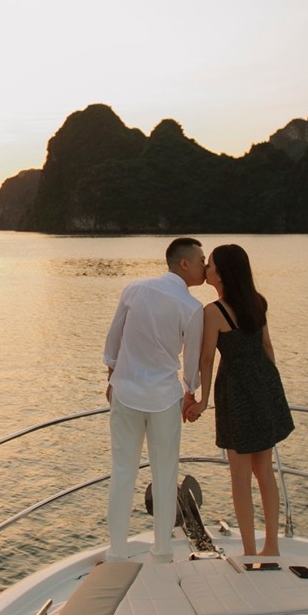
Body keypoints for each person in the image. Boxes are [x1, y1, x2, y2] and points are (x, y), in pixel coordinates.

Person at [102, 237, 206, 562]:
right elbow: (191, 363)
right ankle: (162, 550)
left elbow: (114, 338)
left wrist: (112, 376)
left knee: (122, 471)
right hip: (163, 398)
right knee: (165, 474)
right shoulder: (192, 308)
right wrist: (191, 392)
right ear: (184, 264)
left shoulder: (135, 289)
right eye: (202, 260)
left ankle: (117, 550)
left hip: (127, 392)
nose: (206, 266)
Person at [189, 243, 294, 559]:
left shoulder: (213, 312)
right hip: (263, 384)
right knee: (265, 471)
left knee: (239, 476)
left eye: (211, 266)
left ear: (222, 274)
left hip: (235, 390)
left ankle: (249, 551)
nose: (206, 269)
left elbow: (207, 359)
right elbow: (267, 347)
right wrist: (271, 392)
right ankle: (271, 547)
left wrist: (203, 399)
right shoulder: (257, 303)